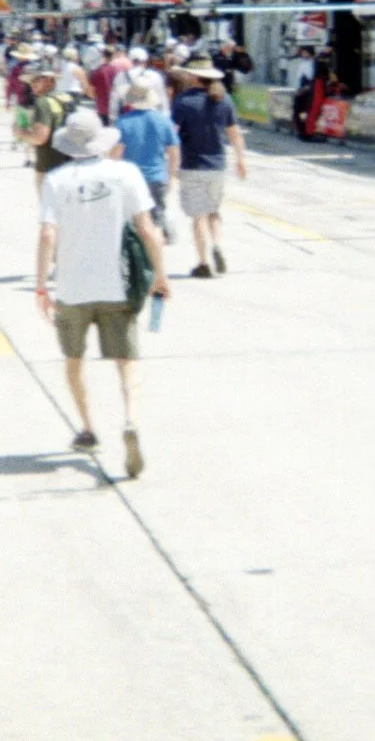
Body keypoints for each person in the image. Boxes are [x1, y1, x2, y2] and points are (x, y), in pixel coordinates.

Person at [35, 109, 170, 480]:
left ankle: (88, 427)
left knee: (74, 359)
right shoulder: (125, 173)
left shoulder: (56, 180)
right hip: (118, 284)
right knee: (127, 359)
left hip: (73, 288)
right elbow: (147, 228)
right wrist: (160, 274)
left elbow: (48, 235)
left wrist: (42, 285)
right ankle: (130, 420)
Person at [169, 58, 247, 278]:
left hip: (193, 164)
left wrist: (170, 163)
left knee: (198, 216)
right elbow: (234, 133)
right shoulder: (224, 100)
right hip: (217, 164)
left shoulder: (183, 102)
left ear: (194, 77)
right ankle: (217, 245)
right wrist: (241, 159)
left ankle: (203, 263)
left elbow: (172, 135)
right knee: (213, 211)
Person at [114, 81, 180, 241]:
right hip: (156, 177)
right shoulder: (164, 121)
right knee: (156, 220)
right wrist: (172, 175)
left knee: (130, 220)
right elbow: (174, 151)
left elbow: (116, 153)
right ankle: (155, 255)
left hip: (130, 179)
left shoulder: (122, 122)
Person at [23, 64, 74, 189]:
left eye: (37, 79)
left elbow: (40, 138)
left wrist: (20, 132)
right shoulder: (67, 98)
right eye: (31, 80)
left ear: (50, 80)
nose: (32, 83)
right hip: (71, 162)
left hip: (49, 164)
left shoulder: (43, 102)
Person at [88, 44, 130, 120]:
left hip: (102, 107)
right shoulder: (119, 71)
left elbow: (90, 91)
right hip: (117, 107)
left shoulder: (97, 71)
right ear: (114, 55)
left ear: (103, 56)